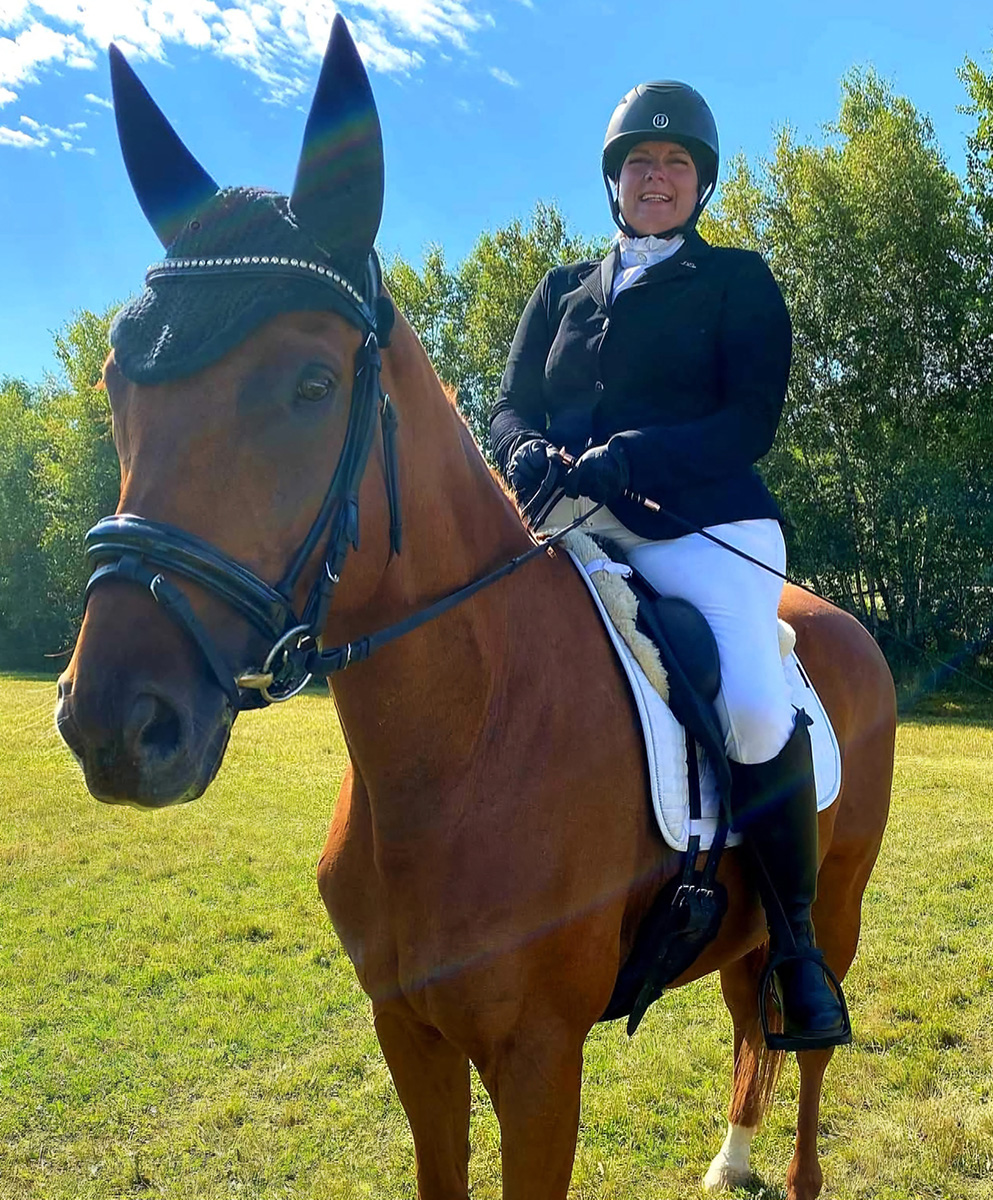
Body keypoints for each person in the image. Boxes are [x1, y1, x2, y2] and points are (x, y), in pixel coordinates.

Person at [490, 81, 849, 1051]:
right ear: (615, 183)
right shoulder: (562, 290)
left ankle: (797, 951)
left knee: (754, 706)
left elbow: (748, 422)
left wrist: (638, 454)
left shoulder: (739, 282)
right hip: (567, 523)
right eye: (639, 164)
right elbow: (509, 403)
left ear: (700, 185)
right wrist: (521, 448)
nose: (656, 178)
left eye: (674, 165)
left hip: (702, 526)